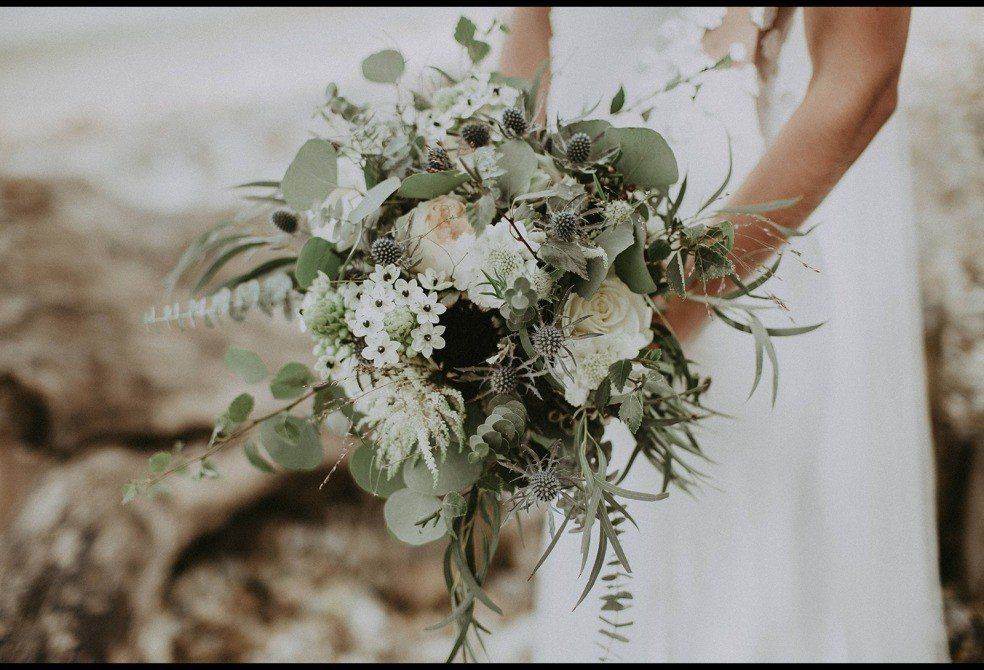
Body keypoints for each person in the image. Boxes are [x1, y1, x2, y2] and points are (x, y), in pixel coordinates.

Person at [500, 7, 947, 662]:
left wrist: (679, 301)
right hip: (559, 275)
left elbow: (864, 79)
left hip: (723, 254)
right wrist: (475, 231)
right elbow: (530, 37)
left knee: (734, 598)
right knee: (608, 592)